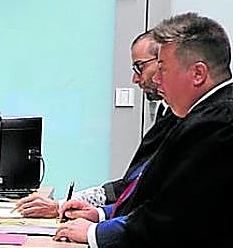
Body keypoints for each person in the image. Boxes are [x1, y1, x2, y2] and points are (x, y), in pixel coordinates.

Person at [53, 13, 233, 248]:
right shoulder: (204, 117)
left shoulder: (217, 126)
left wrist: (93, 234)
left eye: (162, 68)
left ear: (197, 74)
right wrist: (100, 221)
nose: (155, 79)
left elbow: (168, 220)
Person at [17, 32, 179, 218]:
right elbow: (134, 185)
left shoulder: (191, 121)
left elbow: (144, 190)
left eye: (139, 67)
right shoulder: (166, 112)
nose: (135, 79)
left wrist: (74, 211)